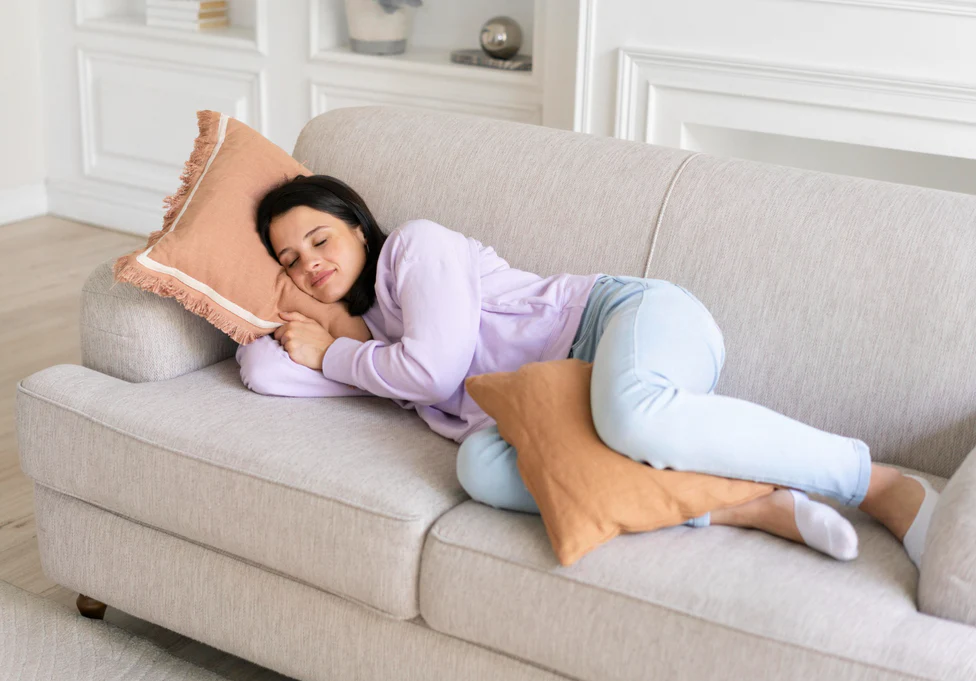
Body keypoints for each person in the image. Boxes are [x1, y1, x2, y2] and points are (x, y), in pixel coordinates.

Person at [237, 173, 940, 566]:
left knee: (632, 410)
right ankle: (752, 506)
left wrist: (334, 352)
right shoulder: (370, 349)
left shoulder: (416, 251)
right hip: (550, 402)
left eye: (318, 237)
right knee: (480, 466)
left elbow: (434, 368)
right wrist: (289, 311)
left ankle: (876, 481)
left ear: (357, 225)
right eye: (289, 261)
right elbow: (261, 369)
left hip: (621, 321)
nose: (310, 262)